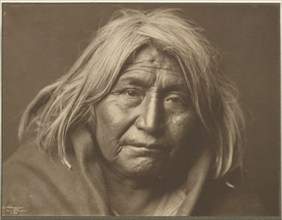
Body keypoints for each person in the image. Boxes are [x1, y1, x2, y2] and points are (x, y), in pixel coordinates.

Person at [3, 9, 267, 216]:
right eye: (131, 93)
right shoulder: (22, 190)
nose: (151, 123)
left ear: (200, 116)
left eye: (175, 100)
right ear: (89, 105)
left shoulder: (237, 207)